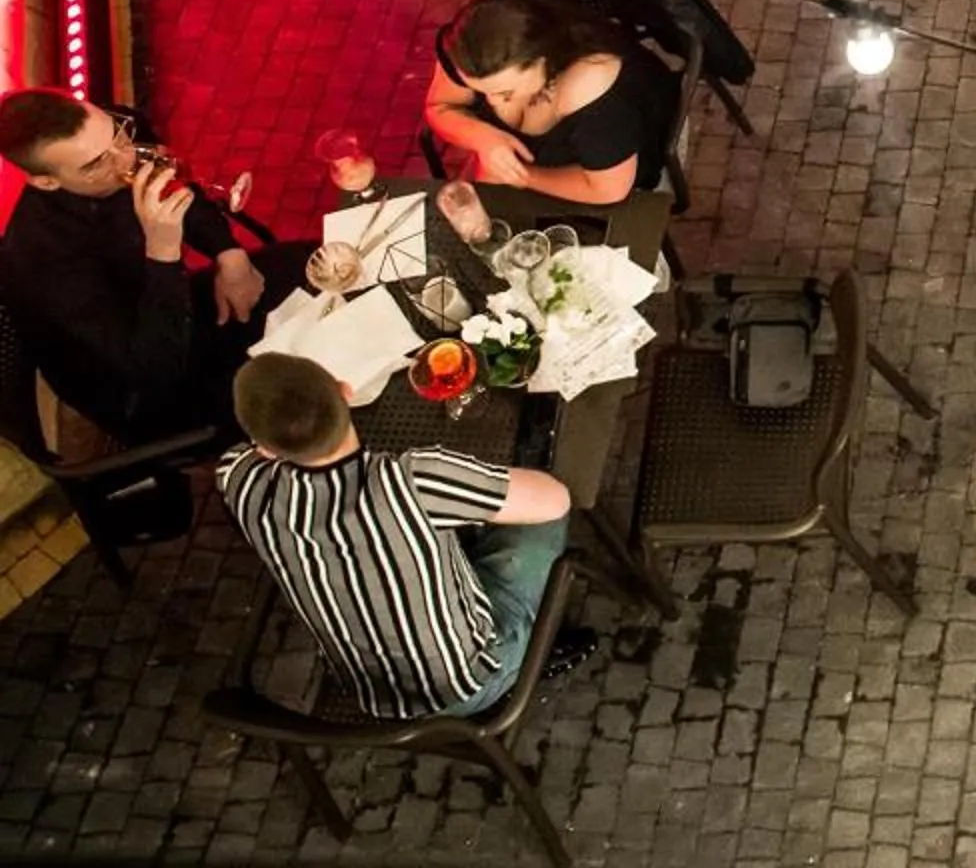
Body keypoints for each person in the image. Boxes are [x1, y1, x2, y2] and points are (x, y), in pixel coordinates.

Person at [219, 353, 593, 717]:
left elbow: (244, 455)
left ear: (264, 448)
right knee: (539, 518)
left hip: (370, 692)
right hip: (470, 683)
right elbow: (554, 501)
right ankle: (530, 654)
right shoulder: (413, 481)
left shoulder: (238, 478)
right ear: (346, 390)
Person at [0, 90, 310, 446]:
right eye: (95, 164)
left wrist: (229, 254)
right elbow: (154, 369)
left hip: (177, 302)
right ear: (47, 181)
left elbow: (177, 187)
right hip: (146, 389)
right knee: (303, 392)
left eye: (119, 134)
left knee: (307, 265)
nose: (126, 159)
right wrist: (162, 251)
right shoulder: (43, 260)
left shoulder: (116, 135)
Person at [424, 0, 678, 206]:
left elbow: (608, 189)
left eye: (506, 93)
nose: (492, 103)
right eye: (480, 91)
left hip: (611, 177)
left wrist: (521, 176)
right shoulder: (469, 50)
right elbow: (441, 106)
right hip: (522, 171)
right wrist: (482, 138)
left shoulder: (594, 90)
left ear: (542, 61)